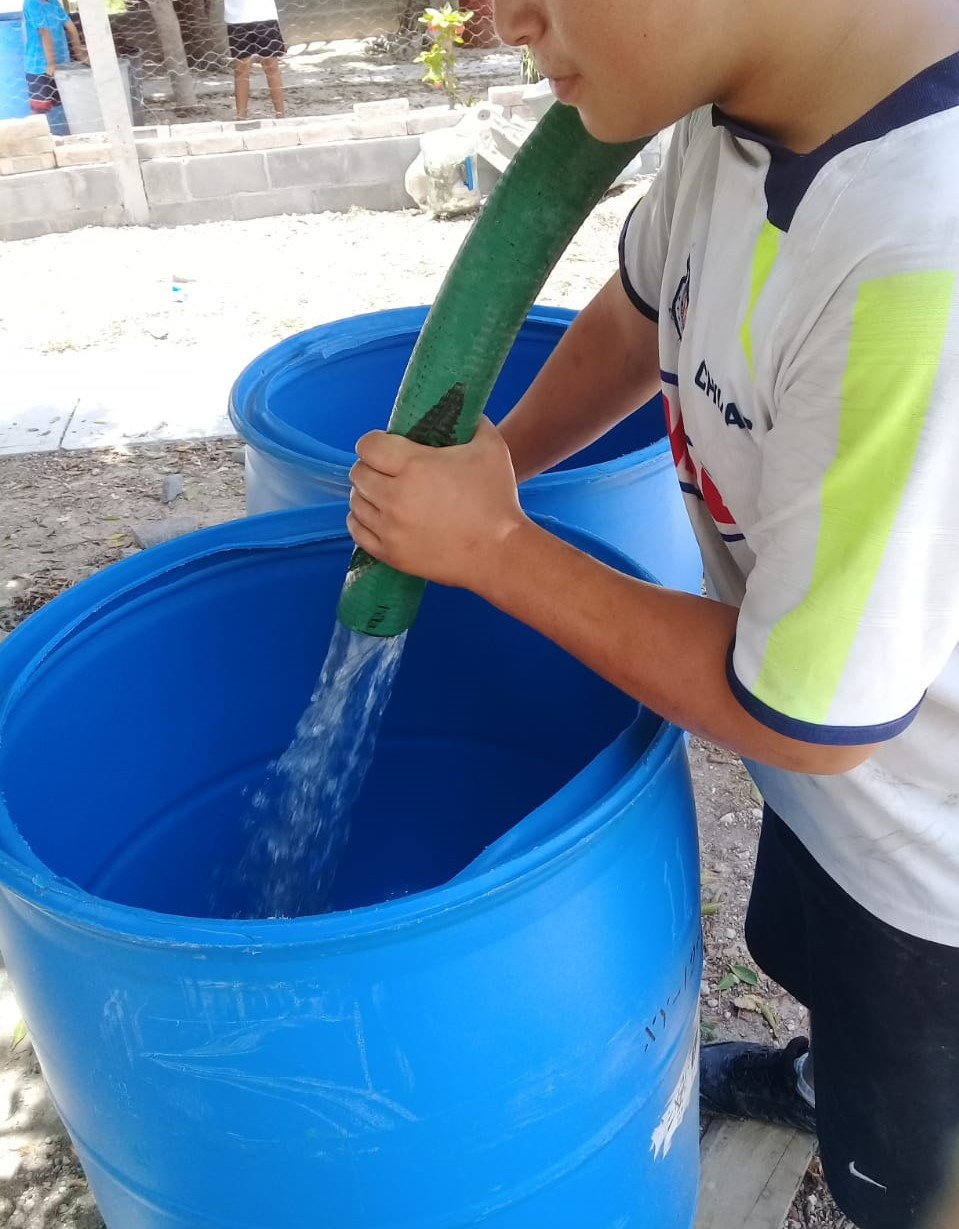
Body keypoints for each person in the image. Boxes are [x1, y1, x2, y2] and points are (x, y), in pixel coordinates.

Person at [345, 1, 959, 1226]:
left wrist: (499, 549)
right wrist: (500, 461)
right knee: (808, 958)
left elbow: (810, 724)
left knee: (906, 1155)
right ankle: (822, 1068)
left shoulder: (913, 256)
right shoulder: (737, 107)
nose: (498, 19)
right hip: (850, 812)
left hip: (929, 871)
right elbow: (640, 306)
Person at [223, 0, 286, 120]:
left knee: (270, 65)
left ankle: (281, 116)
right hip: (237, 18)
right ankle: (241, 118)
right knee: (241, 68)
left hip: (264, 15)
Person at [22, 0, 85, 116]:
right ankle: (31, 133)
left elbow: (71, 28)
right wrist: (51, 63)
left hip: (61, 65)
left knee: (68, 104)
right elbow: (44, 32)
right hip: (40, 67)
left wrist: (80, 55)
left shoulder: (54, 2)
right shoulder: (31, 3)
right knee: (38, 109)